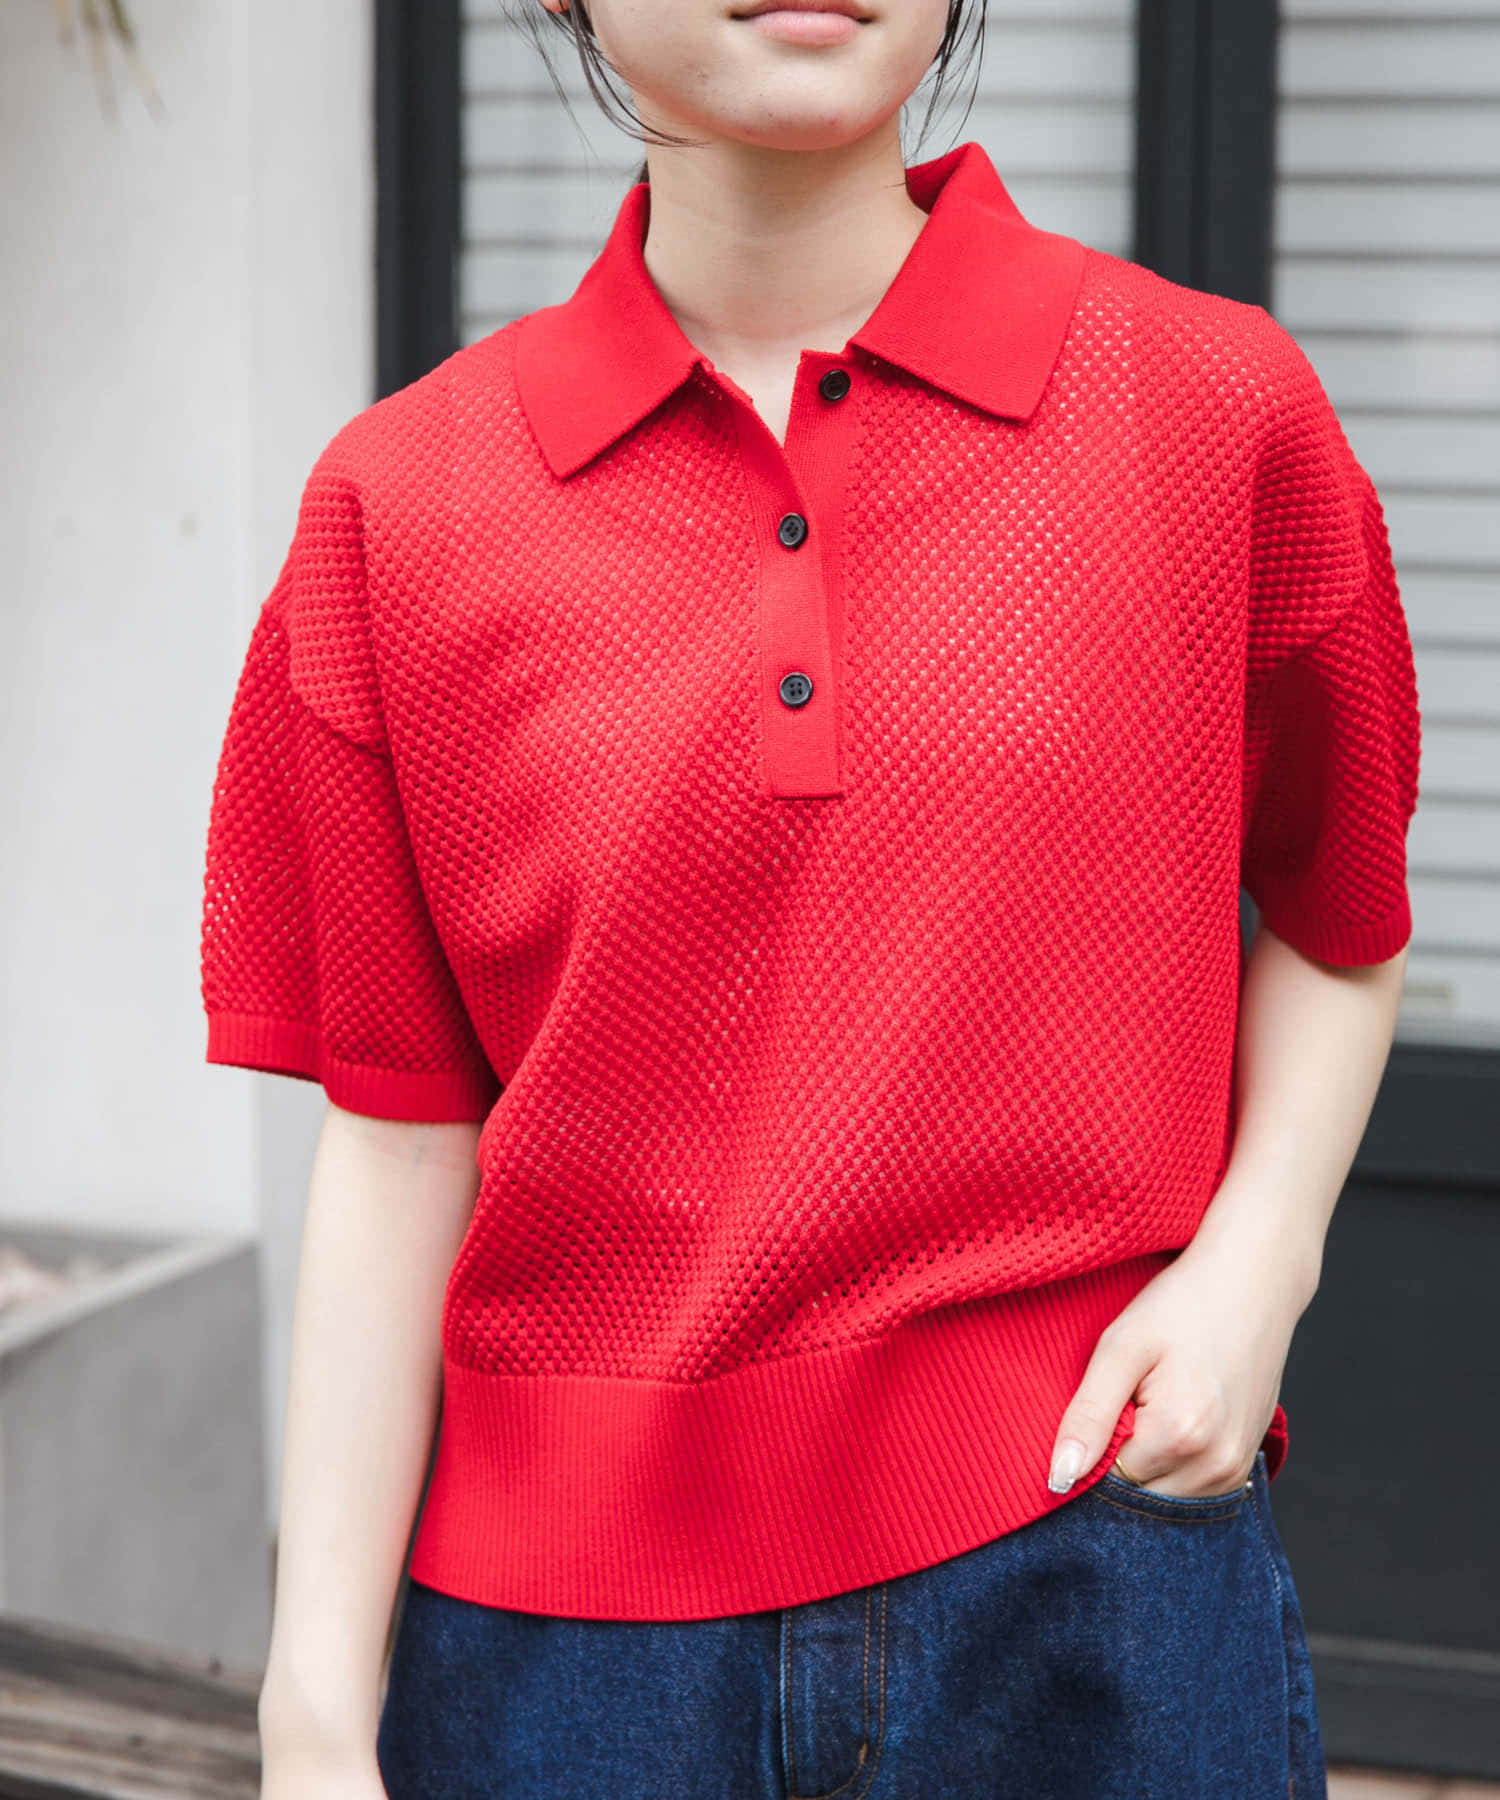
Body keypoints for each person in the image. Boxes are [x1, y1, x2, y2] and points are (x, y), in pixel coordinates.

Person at [200, 0, 1422, 1795]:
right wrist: (312, 1706)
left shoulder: (1210, 408)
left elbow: (1340, 909)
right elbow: (396, 1135)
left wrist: (1260, 1267)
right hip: (562, 1665)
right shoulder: (402, 504)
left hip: (1090, 1564)